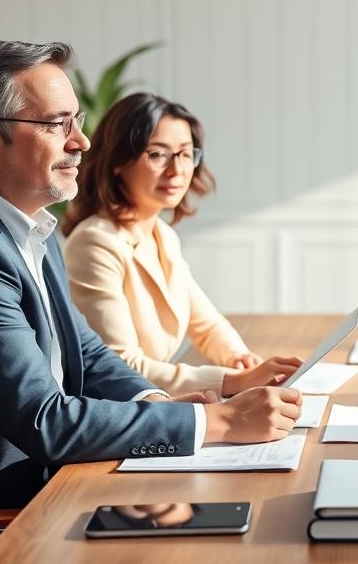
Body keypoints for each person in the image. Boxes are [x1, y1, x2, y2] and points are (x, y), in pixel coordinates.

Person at [0, 41, 302, 564]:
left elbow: (83, 356)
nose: (81, 141)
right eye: (56, 123)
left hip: (27, 495)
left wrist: (158, 398)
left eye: (78, 121)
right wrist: (215, 423)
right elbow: (46, 421)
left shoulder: (24, 226)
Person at [62, 93, 300, 396]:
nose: (176, 170)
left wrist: (242, 360)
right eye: (158, 154)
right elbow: (119, 365)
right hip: (119, 412)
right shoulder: (95, 241)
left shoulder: (162, 234)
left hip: (153, 402)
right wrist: (233, 382)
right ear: (118, 161)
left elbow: (207, 324)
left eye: (185, 154)